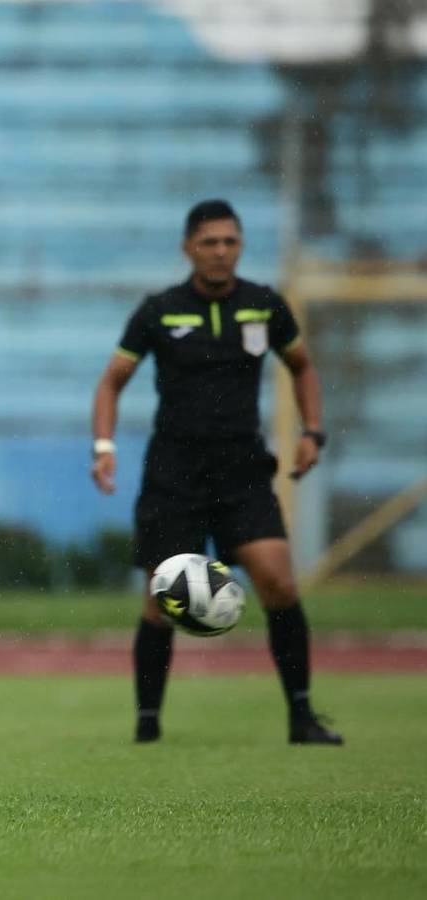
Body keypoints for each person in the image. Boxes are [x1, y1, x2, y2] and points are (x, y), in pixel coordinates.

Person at [89, 199, 342, 746]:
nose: (221, 252)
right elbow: (111, 381)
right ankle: (148, 725)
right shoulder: (160, 310)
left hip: (242, 471)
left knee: (278, 580)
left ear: (241, 246)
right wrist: (104, 445)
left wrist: (312, 430)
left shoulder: (264, 306)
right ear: (189, 249)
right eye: (210, 242)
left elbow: (302, 367)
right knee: (162, 597)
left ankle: (301, 716)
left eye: (230, 241)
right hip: (173, 474)